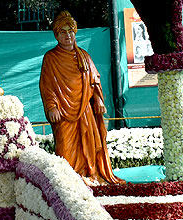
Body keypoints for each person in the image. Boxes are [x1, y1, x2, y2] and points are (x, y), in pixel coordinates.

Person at [40, 11, 122, 185]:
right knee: (65, 148)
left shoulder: (84, 56)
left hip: (85, 109)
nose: (67, 35)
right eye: (62, 32)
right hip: (62, 111)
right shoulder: (51, 58)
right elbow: (47, 85)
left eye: (70, 31)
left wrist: (99, 99)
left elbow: (95, 80)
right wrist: (51, 106)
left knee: (89, 145)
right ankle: (68, 182)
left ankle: (89, 174)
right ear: (56, 35)